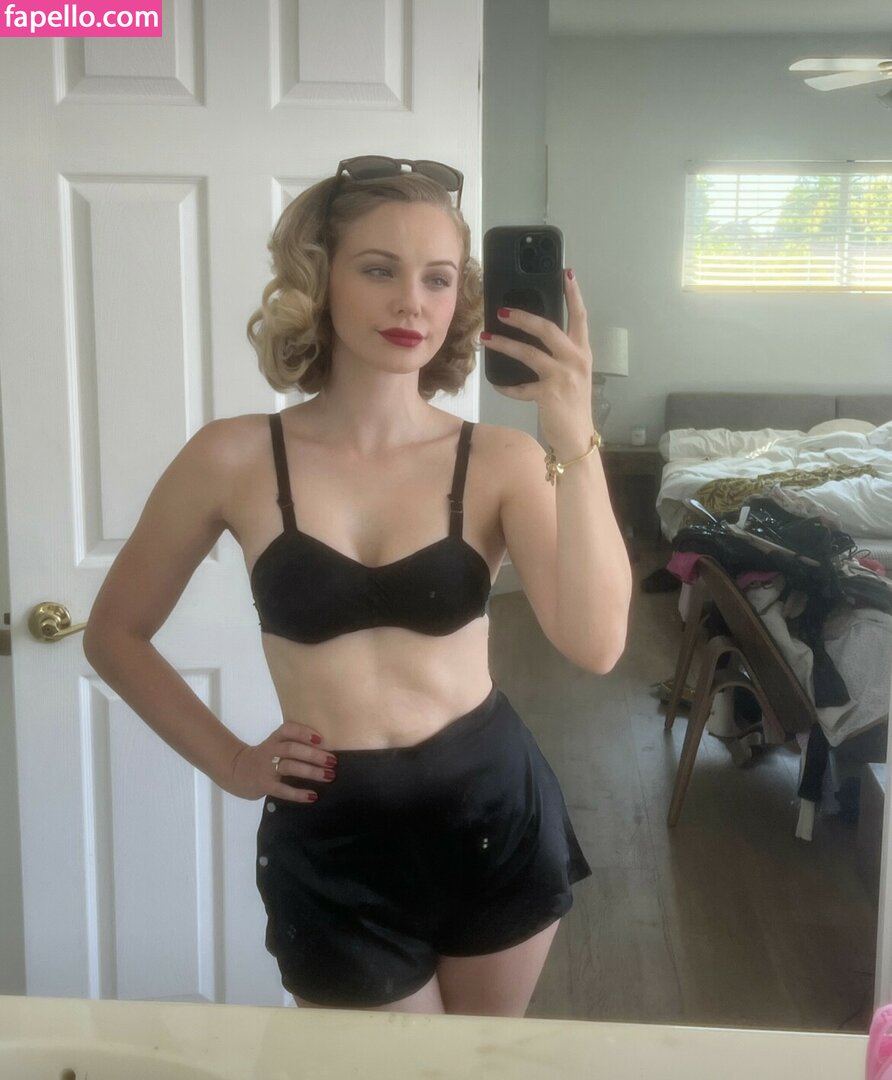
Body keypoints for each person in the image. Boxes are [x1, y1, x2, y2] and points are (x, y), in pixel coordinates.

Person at [83, 155, 632, 1018]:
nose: (412, 302)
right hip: (333, 840)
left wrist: (573, 435)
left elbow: (596, 644)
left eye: (438, 278)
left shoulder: (501, 460)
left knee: (479, 1071)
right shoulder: (232, 457)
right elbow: (113, 633)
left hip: (495, 816)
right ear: (321, 280)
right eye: (379, 270)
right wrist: (233, 762)